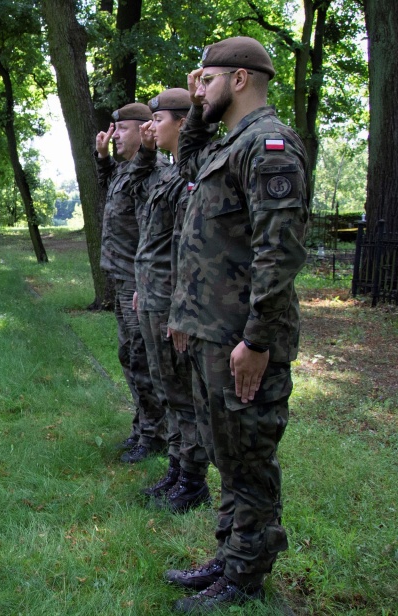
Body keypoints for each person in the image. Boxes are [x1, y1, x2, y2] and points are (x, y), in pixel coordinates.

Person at [165, 37, 309, 612]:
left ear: (241, 79)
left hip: (242, 341)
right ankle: (228, 559)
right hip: (211, 335)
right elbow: (187, 162)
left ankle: (246, 577)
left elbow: (280, 255)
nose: (197, 87)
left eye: (208, 78)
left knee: (249, 463)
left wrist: (257, 340)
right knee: (227, 456)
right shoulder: (230, 145)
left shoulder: (271, 147)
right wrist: (200, 106)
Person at [128, 88, 211, 512]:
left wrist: (180, 309)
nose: (150, 127)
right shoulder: (166, 173)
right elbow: (150, 234)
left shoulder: (190, 178)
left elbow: (185, 250)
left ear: (182, 122)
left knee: (181, 391)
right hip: (155, 294)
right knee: (166, 387)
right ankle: (177, 469)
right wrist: (144, 285)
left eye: (158, 120)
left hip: (173, 302)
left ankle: (192, 478)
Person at [96, 102, 167, 464]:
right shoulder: (125, 171)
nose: (115, 135)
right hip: (124, 281)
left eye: (121, 129)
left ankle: (155, 435)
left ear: (143, 131)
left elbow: (152, 233)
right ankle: (143, 426)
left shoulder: (150, 171)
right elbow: (108, 186)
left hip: (138, 282)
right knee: (130, 356)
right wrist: (104, 157)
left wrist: (145, 281)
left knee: (142, 360)